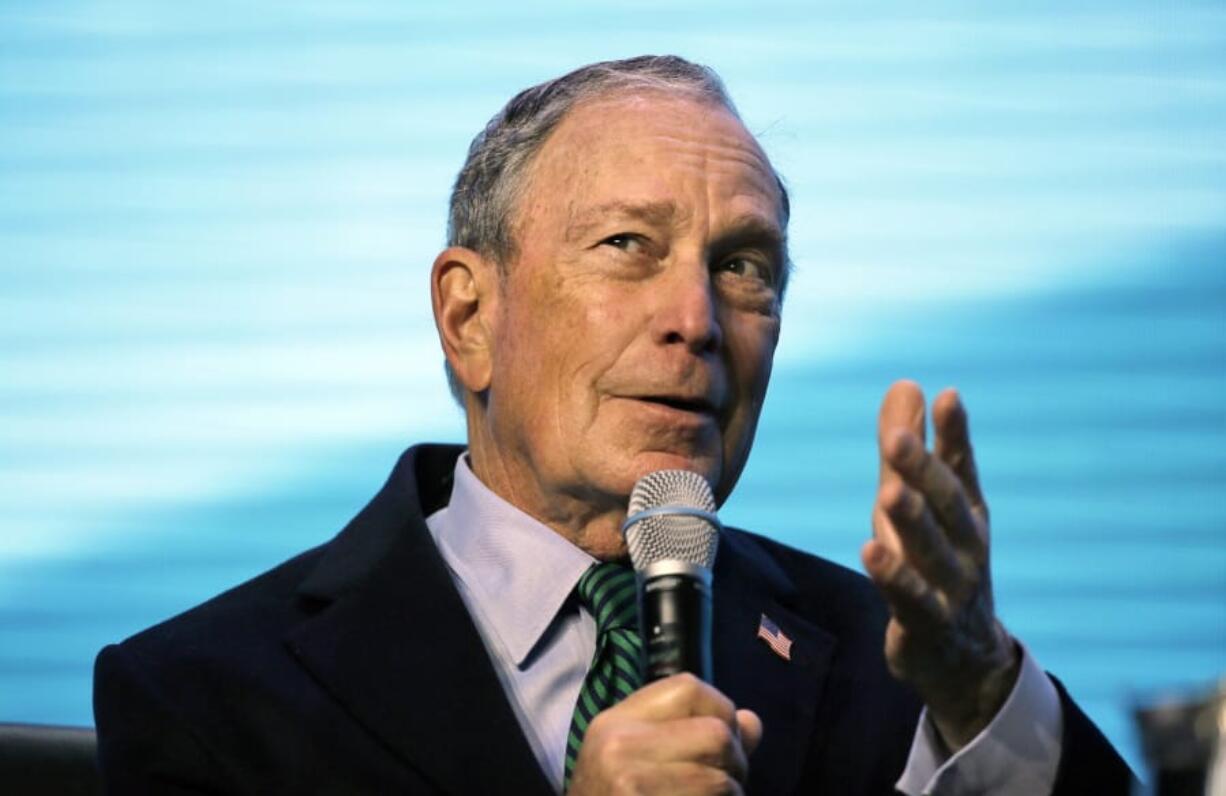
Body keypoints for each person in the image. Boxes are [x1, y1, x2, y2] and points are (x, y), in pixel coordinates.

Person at [94, 56, 1133, 794]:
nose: (696, 321)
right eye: (628, 244)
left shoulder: (895, 664)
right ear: (469, 318)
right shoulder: (209, 693)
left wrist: (981, 681)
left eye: (742, 267)